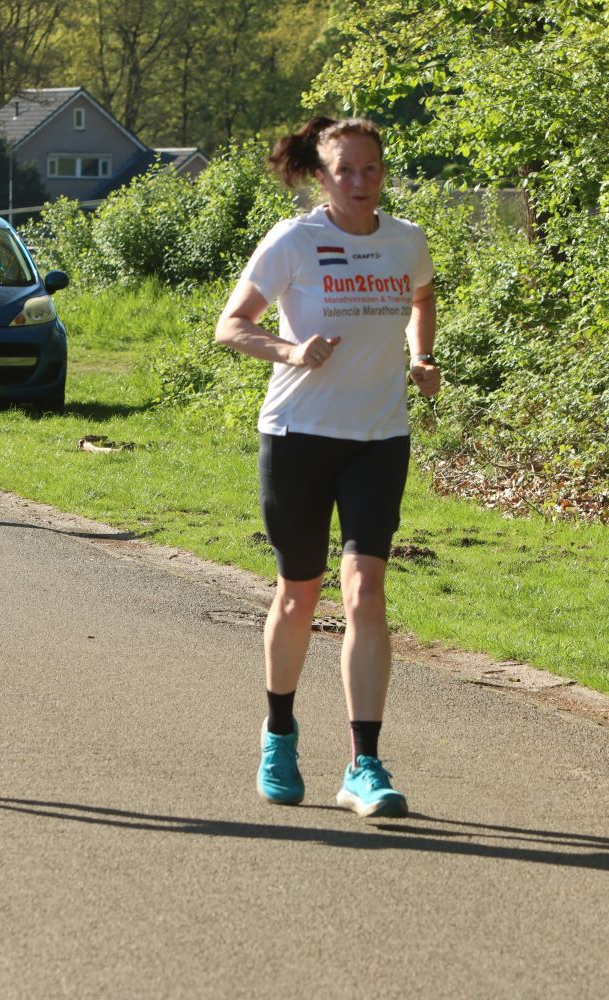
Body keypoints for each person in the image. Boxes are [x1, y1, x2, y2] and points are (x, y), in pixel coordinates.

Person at [215, 117, 441, 819]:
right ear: (322, 176)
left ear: (383, 172)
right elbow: (231, 325)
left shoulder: (406, 240)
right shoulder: (294, 241)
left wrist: (421, 356)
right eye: (345, 170)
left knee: (366, 591)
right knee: (299, 593)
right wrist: (290, 351)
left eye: (370, 169)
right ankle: (279, 734)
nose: (359, 182)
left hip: (379, 438)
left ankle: (364, 765)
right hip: (298, 436)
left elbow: (422, 295)